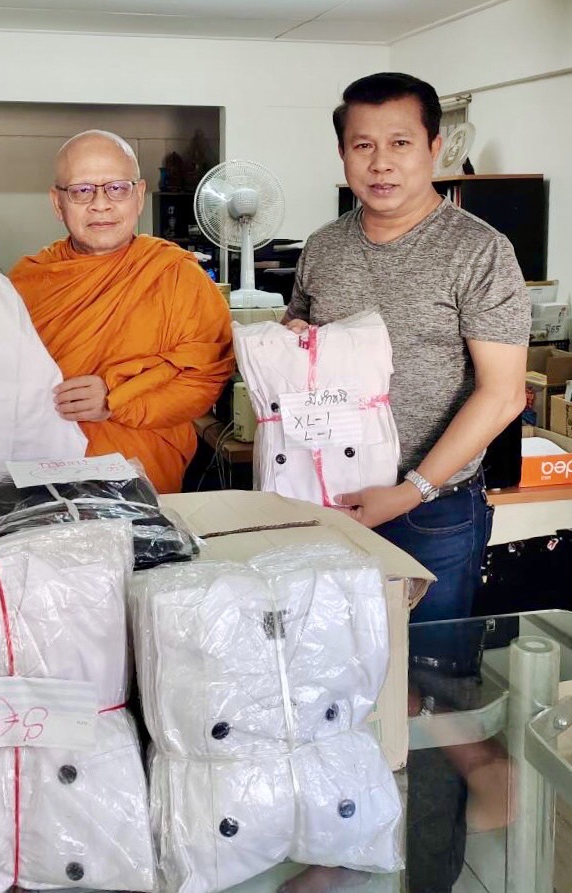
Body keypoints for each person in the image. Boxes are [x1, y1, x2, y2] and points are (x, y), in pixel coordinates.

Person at [281, 72, 530, 893]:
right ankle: (345, 847)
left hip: (432, 510)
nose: (380, 162)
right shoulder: (323, 246)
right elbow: (307, 347)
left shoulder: (477, 250)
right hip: (330, 505)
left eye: (398, 143)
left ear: (433, 147)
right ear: (341, 153)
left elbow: (503, 393)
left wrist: (413, 486)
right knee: (337, 682)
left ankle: (426, 872)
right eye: (362, 145)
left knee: (432, 688)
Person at [9, 130, 234, 494]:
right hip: (41, 477)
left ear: (139, 195)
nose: (101, 204)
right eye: (82, 190)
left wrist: (116, 400)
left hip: (142, 482)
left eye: (117, 188)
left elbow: (204, 376)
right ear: (57, 202)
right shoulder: (27, 282)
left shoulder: (175, 275)